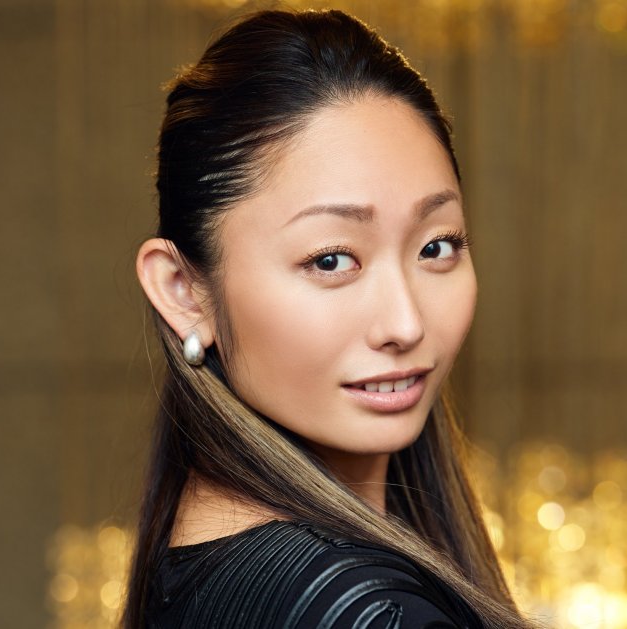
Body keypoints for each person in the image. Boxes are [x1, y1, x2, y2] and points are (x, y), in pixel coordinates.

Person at [126, 8, 528, 628]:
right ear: (183, 291)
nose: (406, 324)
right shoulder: (364, 612)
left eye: (436, 246)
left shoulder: (203, 568)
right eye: (331, 259)